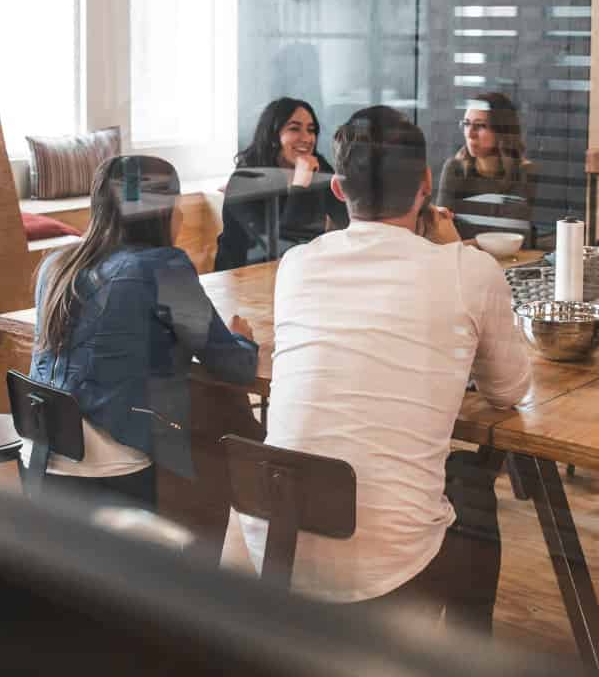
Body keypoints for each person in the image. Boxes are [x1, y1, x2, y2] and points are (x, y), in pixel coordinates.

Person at [239, 105, 531, 629]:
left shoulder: (298, 265)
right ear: (425, 183)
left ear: (337, 188)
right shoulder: (468, 269)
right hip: (386, 567)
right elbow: (508, 391)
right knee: (473, 490)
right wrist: (453, 251)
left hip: (274, 542)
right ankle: (468, 656)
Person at [28, 155, 259, 513]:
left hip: (43, 458)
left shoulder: (54, 267)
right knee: (219, 429)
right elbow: (235, 366)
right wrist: (243, 338)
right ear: (163, 211)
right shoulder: (163, 268)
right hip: (112, 466)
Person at [215, 98, 350, 270]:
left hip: (299, 272)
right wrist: (301, 185)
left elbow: (348, 220)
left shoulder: (317, 166)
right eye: (294, 129)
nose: (307, 138)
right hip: (243, 278)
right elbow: (282, 248)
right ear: (272, 136)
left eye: (311, 130)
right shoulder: (245, 180)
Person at [435, 92, 536, 242]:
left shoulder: (524, 173)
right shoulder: (455, 169)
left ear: (501, 131)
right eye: (467, 124)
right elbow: (440, 233)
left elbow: (514, 239)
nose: (470, 134)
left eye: (480, 126)